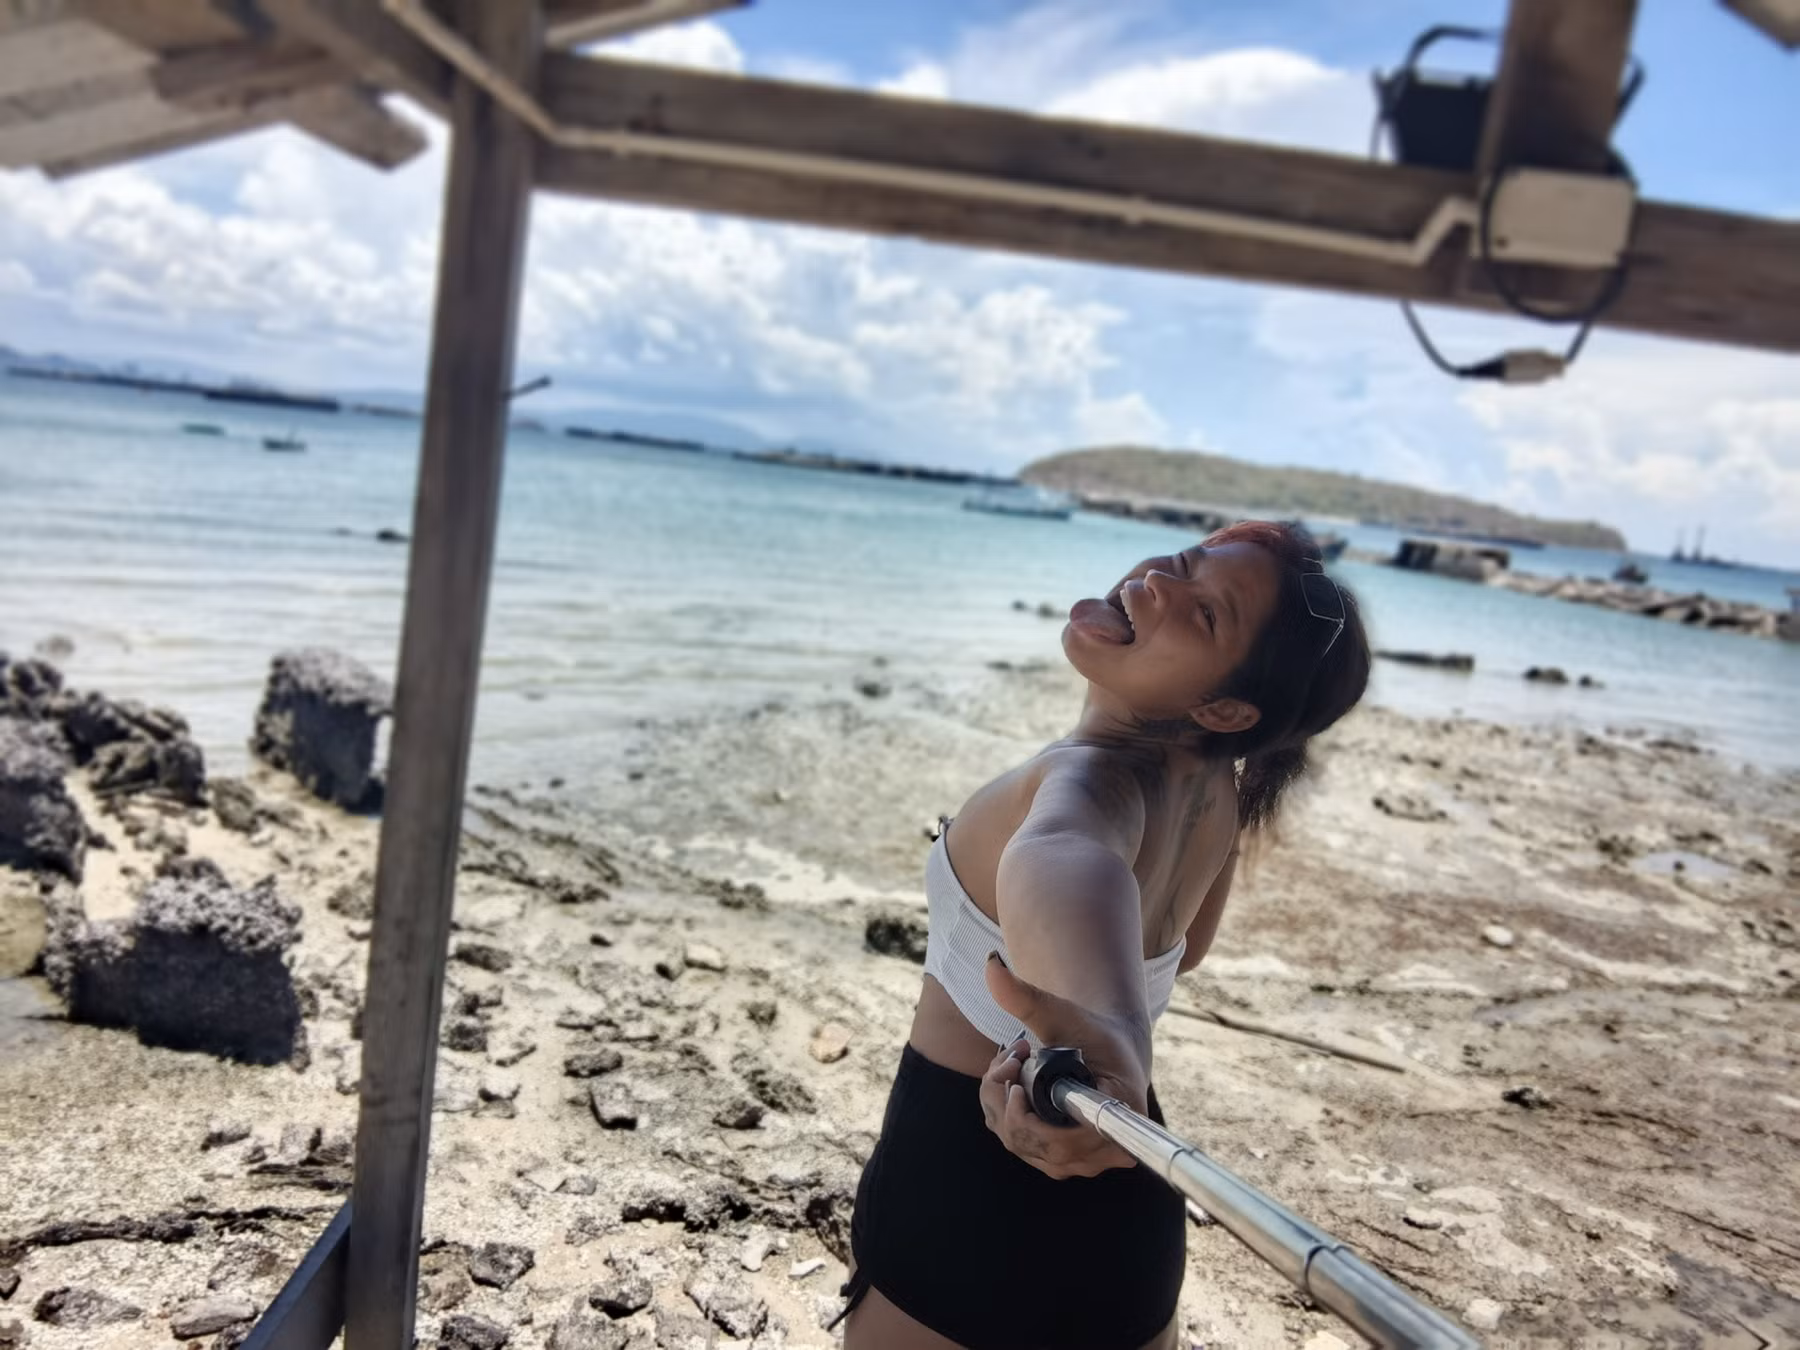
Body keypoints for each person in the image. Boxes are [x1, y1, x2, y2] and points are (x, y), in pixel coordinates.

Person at [838, 520, 1372, 1350]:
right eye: (1186, 562)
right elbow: (1182, 949)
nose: (1158, 582)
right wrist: (1116, 1045)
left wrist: (1109, 1039)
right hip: (1130, 1209)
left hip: (967, 1194)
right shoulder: (1217, 791)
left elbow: (1063, 855)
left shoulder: (1086, 781)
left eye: (1205, 614)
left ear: (1223, 707)